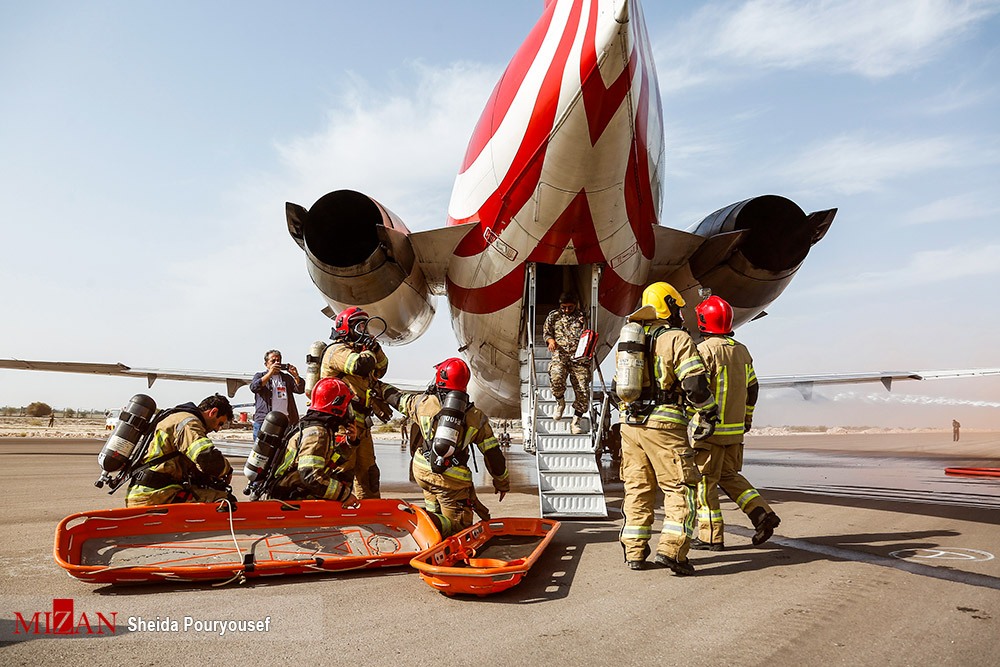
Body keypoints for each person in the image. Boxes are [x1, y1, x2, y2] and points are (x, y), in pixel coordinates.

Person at [615, 282, 718, 575]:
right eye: (678, 307)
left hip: (630, 426)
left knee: (637, 488)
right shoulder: (677, 339)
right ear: (669, 306)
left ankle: (635, 553)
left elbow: (616, 389)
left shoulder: (628, 341)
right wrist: (708, 413)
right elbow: (695, 385)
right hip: (665, 426)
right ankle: (673, 551)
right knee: (680, 487)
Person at [691, 295, 780, 550]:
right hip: (734, 433)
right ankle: (761, 513)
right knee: (730, 476)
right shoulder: (742, 351)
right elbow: (753, 388)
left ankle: (710, 537)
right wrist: (747, 417)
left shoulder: (703, 351)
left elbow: (697, 390)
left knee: (704, 484)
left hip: (708, 434)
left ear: (703, 321)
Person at [387, 357, 510, 537]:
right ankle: (417, 519)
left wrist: (378, 387)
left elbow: (397, 399)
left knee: (435, 511)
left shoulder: (422, 403)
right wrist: (502, 482)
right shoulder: (476, 417)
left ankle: (431, 528)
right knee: (458, 530)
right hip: (451, 481)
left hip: (423, 472)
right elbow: (493, 455)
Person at [318, 306, 391, 499]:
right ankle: (333, 516)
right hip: (342, 426)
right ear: (345, 328)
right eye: (359, 326)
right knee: (342, 472)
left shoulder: (363, 351)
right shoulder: (337, 351)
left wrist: (376, 349)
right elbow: (360, 365)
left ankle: (371, 513)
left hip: (362, 426)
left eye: (365, 327)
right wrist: (368, 351)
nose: (364, 331)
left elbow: (381, 369)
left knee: (369, 474)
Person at [125, 394, 235, 507]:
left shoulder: (177, 417)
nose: (217, 429)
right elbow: (207, 459)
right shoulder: (189, 423)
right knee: (226, 502)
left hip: (149, 492)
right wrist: (227, 470)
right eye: (220, 423)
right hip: (158, 496)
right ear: (213, 412)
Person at [268, 377, 360, 507]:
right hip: (290, 496)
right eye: (347, 405)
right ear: (336, 405)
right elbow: (310, 477)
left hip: (291, 490)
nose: (349, 411)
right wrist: (344, 495)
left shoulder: (318, 427)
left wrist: (350, 443)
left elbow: (331, 462)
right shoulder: (317, 434)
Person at [543, 291, 592, 434]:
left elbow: (588, 333)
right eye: (564, 307)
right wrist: (550, 340)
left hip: (578, 358)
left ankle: (576, 422)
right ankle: (560, 403)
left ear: (575, 305)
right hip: (561, 355)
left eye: (570, 307)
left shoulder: (581, 317)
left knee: (583, 390)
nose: (566, 310)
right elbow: (546, 332)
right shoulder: (554, 316)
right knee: (556, 378)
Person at [250, 349, 305, 441]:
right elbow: (254, 387)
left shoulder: (286, 378)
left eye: (278, 361)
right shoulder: (260, 376)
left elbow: (300, 389)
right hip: (264, 421)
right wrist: (270, 373)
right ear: (266, 364)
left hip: (285, 422)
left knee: (283, 449)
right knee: (261, 448)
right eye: (273, 361)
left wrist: (296, 376)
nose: (276, 363)